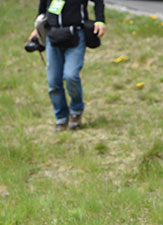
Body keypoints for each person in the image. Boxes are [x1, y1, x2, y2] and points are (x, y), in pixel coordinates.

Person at [29, 0, 106, 132]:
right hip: (53, 35)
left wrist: (100, 20)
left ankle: (76, 110)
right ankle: (61, 118)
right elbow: (43, 6)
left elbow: (99, 1)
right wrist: (37, 28)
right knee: (53, 81)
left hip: (76, 34)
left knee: (71, 76)